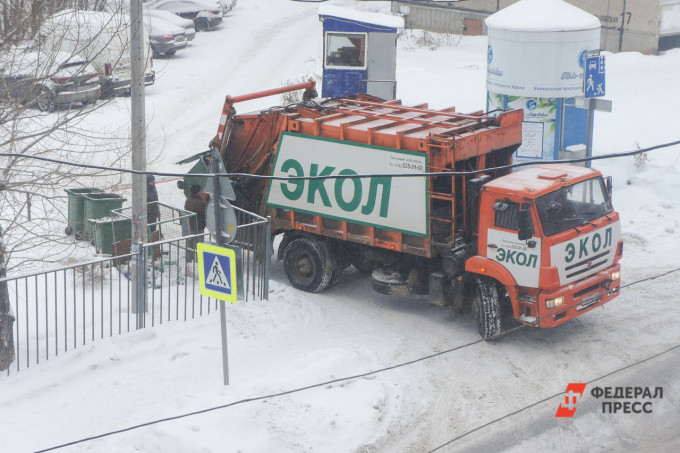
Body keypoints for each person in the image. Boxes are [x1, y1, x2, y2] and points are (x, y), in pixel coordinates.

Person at [184, 184, 207, 261]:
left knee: (190, 242)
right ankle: (199, 258)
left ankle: (189, 257)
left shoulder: (188, 199)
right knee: (199, 243)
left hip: (190, 224)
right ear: (198, 192)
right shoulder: (199, 202)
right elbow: (205, 210)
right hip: (198, 225)